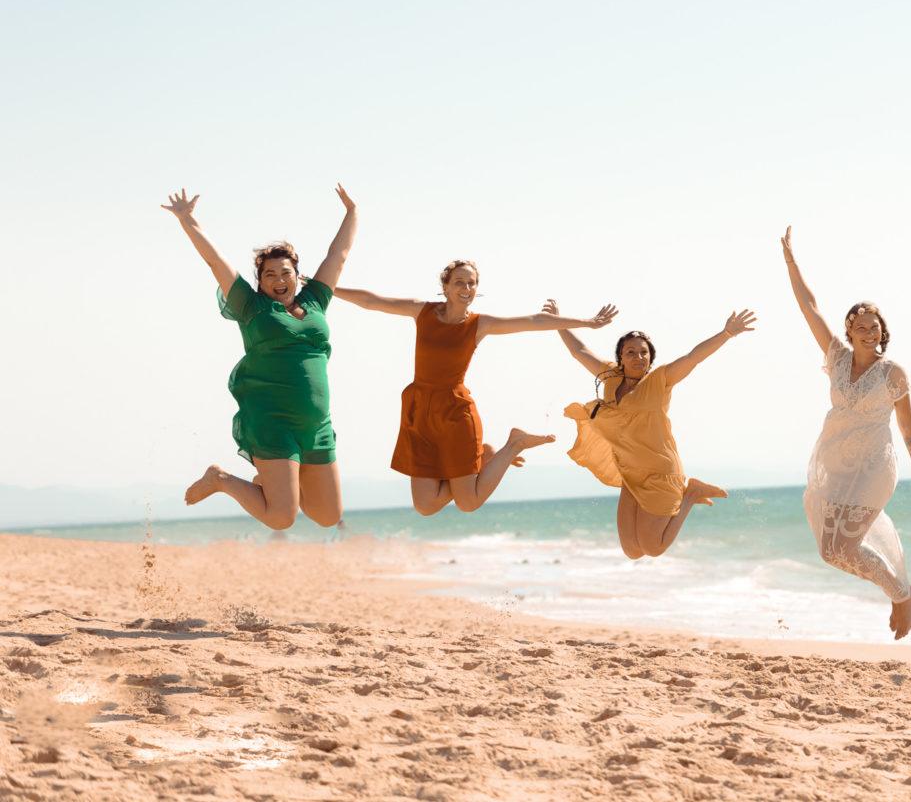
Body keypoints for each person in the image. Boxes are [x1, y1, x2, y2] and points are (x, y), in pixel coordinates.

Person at [334, 261, 618, 514]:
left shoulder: (479, 325)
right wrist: (327, 286)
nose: (466, 288)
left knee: (467, 502)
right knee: (425, 505)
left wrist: (587, 322)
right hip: (419, 411)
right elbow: (371, 301)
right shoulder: (422, 311)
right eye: (459, 282)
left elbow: (534, 321)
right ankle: (483, 457)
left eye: (472, 283)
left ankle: (512, 444)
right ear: (445, 287)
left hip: (455, 413)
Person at [781, 227, 911, 640]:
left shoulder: (893, 374)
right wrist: (791, 264)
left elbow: (907, 422)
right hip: (835, 460)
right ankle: (901, 594)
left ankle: (903, 596)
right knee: (830, 551)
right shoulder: (836, 357)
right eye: (863, 327)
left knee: (845, 547)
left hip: (874, 464)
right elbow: (809, 308)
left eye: (877, 327)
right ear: (850, 331)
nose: (871, 333)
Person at [163, 186, 357, 530]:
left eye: (285, 273)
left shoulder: (315, 301)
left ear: (297, 275)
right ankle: (221, 479)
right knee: (282, 517)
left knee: (329, 517)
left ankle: (276, 485)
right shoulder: (251, 307)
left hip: (317, 425)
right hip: (273, 422)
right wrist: (187, 220)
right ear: (260, 281)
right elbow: (214, 262)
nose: (279, 280)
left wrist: (352, 213)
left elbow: (338, 256)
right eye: (270, 275)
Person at [548, 300, 755, 559]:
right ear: (620, 358)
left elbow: (693, 357)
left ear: (651, 357)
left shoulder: (661, 380)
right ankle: (688, 494)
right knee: (632, 551)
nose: (638, 357)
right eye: (631, 352)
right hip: (630, 473)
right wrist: (558, 322)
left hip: (660, 472)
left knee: (653, 548)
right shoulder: (610, 377)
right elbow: (579, 350)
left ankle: (691, 493)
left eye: (644, 352)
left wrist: (726, 333)